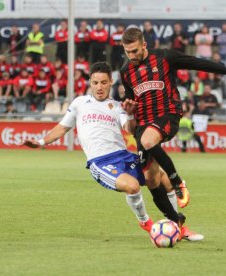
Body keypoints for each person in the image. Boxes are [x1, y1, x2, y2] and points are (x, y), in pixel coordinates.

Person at [120, 27, 226, 208]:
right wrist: (129, 110)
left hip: (167, 114)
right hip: (143, 121)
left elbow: (197, 63)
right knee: (151, 179)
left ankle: (178, 182)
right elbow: (131, 100)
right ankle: (175, 222)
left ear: (144, 45)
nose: (131, 56)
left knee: (148, 141)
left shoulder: (165, 57)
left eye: (135, 51)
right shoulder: (126, 72)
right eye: (127, 52)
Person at [22, 62, 154, 234]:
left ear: (111, 82)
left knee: (160, 178)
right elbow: (62, 127)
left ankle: (178, 223)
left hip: (123, 155)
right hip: (100, 161)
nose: (99, 87)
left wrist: (129, 114)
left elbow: (129, 129)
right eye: (95, 83)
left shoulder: (116, 106)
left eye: (103, 82)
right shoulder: (80, 103)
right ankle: (145, 221)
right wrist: (40, 142)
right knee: (132, 186)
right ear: (90, 82)